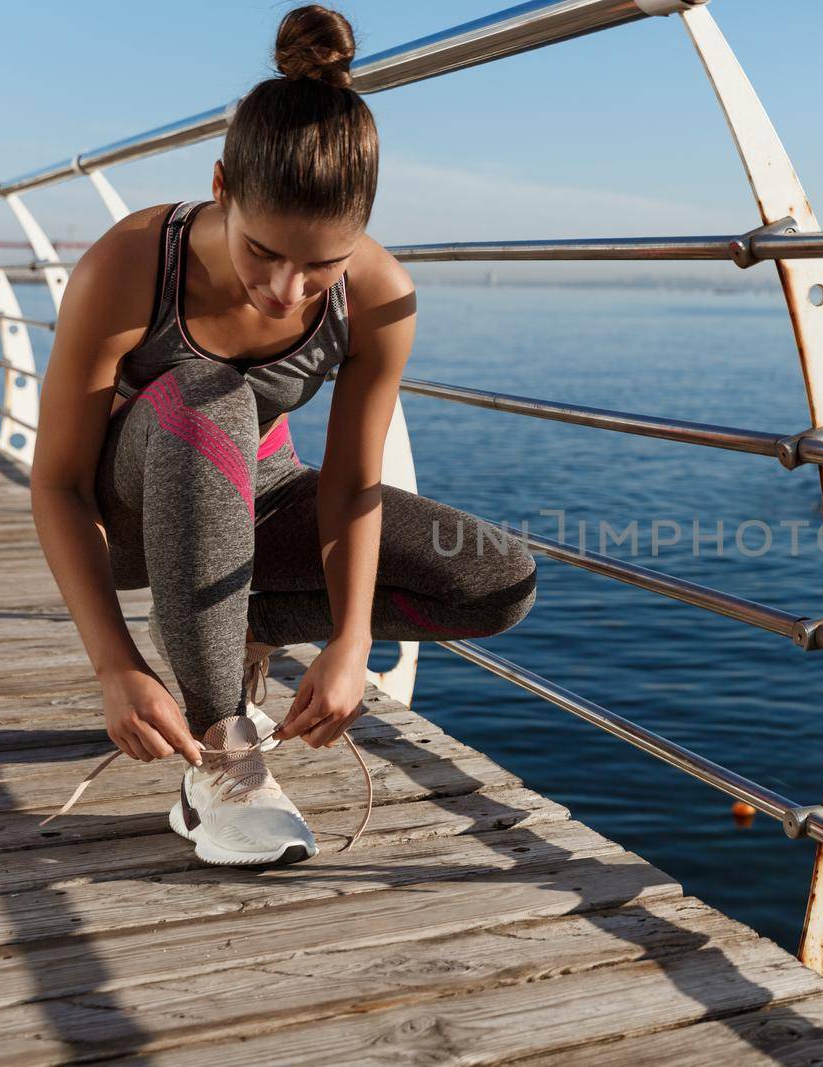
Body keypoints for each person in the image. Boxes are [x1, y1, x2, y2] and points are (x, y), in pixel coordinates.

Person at [29, 4, 537, 866]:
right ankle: (221, 759)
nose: (286, 289)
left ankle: (238, 629)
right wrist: (115, 662)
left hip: (258, 493)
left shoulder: (380, 296)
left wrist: (350, 641)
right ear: (222, 187)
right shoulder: (129, 263)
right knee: (209, 393)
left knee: (493, 579)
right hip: (136, 508)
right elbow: (60, 484)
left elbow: (349, 485)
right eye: (264, 251)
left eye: (322, 266)